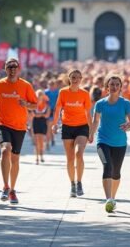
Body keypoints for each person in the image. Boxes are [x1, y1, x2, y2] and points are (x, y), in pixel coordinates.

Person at [0, 58, 37, 204]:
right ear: (5, 69)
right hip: (2, 123)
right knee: (6, 150)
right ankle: (5, 186)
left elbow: (34, 105)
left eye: (15, 66)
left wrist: (26, 104)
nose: (12, 69)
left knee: (15, 159)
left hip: (19, 126)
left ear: (18, 69)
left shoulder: (26, 86)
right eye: (9, 66)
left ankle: (13, 190)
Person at [88, 74, 130, 213]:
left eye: (117, 84)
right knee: (107, 166)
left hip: (120, 142)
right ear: (106, 87)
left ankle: (113, 197)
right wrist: (91, 134)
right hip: (103, 140)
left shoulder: (126, 103)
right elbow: (96, 121)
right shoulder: (100, 104)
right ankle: (108, 198)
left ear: (120, 87)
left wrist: (129, 125)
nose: (114, 87)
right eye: (111, 84)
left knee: (116, 172)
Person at [52, 69, 93, 197]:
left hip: (82, 126)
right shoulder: (63, 92)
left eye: (78, 77)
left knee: (78, 154)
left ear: (81, 79)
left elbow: (88, 113)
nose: (75, 79)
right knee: (70, 159)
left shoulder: (85, 94)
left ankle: (79, 182)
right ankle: (72, 184)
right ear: (69, 79)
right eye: (73, 77)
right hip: (67, 127)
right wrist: (54, 124)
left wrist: (91, 131)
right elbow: (58, 108)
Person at [32, 90, 50, 164]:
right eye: (38, 95)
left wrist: (39, 115)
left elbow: (47, 115)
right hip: (35, 123)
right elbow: (33, 115)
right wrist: (41, 115)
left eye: (41, 95)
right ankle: (36, 157)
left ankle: (41, 155)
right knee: (36, 140)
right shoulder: (33, 104)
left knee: (41, 140)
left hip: (43, 123)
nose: (39, 96)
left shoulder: (46, 105)